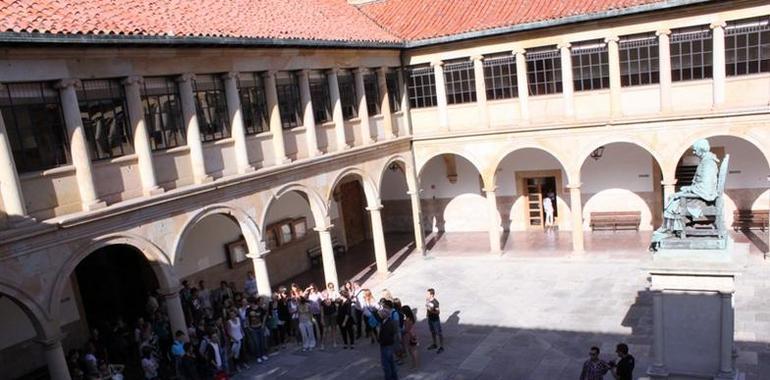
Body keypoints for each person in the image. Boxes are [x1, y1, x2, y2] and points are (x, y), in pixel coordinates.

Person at [651, 138, 720, 250]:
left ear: (701, 150)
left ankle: (671, 229)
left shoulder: (708, 164)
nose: (693, 152)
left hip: (702, 200)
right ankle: (671, 228)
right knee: (674, 198)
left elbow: (706, 188)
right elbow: (702, 184)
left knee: (674, 201)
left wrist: (688, 190)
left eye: (695, 150)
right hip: (700, 196)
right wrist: (689, 188)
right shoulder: (706, 161)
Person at [378, 306, 399, 380]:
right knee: (391, 363)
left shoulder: (387, 324)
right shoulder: (387, 321)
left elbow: (386, 336)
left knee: (386, 365)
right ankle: (394, 377)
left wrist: (381, 341)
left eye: (380, 314)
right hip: (388, 345)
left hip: (386, 346)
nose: (379, 315)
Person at [425, 288, 444, 353]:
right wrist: (427, 313)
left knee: (438, 333)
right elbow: (427, 308)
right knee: (432, 332)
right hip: (430, 319)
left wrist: (431, 311)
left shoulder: (435, 302)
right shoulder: (427, 300)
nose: (426, 295)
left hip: (435, 320)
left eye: (427, 294)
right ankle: (434, 344)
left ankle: (441, 346)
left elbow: (438, 312)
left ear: (431, 295)